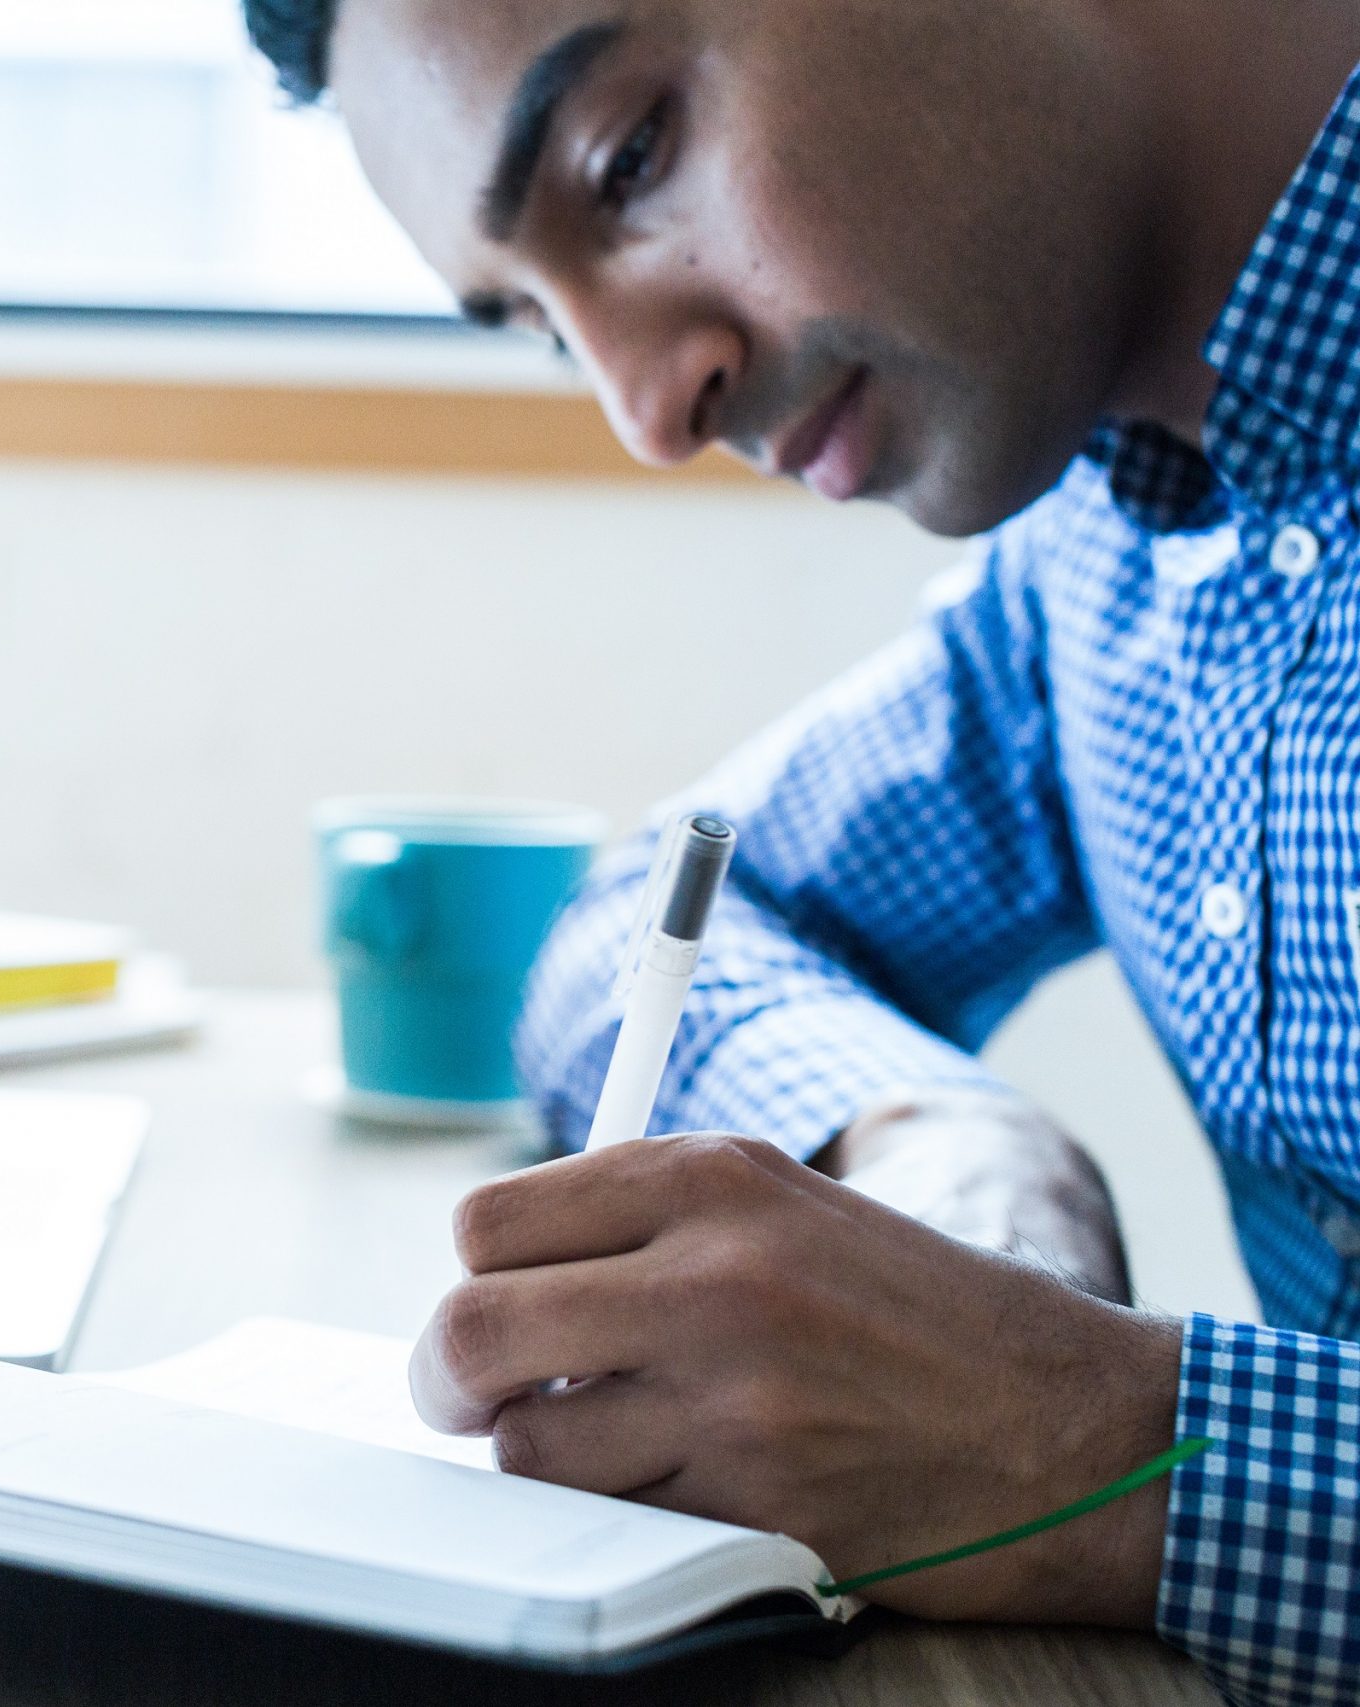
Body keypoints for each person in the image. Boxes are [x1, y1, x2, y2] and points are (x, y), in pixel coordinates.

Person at [240, 1, 1360, 1701]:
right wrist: (946, 1139)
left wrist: (1097, 1446)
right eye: (544, 327)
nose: (645, 408)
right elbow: (652, 916)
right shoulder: (1102, 566)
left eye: (629, 160)